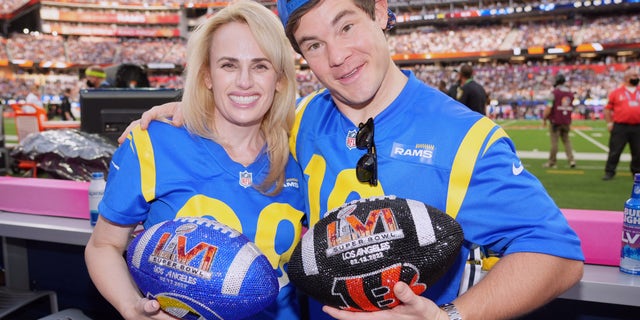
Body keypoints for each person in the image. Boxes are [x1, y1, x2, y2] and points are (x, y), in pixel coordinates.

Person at [128, 1, 584, 319]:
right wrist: (183, 112)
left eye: (346, 26)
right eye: (313, 44)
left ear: (380, 12)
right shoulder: (299, 120)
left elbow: (558, 256)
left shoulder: (465, 137)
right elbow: (232, 129)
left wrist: (449, 317)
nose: (337, 56)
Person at [85, 1, 306, 319]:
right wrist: (130, 305)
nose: (244, 81)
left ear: (280, 79)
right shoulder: (153, 144)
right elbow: (103, 246)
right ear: (207, 76)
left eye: (261, 65)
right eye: (229, 65)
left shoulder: (300, 151)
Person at [602, 67, 640, 181]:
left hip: (638, 127)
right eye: (634, 76)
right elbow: (608, 109)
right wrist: (609, 123)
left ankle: (637, 174)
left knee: (638, 152)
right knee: (615, 150)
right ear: (627, 78)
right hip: (620, 126)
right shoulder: (617, 92)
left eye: (637, 76)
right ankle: (610, 171)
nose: (636, 78)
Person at [542, 74, 576, 169]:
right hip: (566, 121)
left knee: (554, 143)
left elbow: (549, 107)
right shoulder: (570, 94)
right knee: (567, 141)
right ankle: (571, 160)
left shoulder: (554, 93)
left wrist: (544, 118)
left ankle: (552, 162)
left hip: (556, 121)